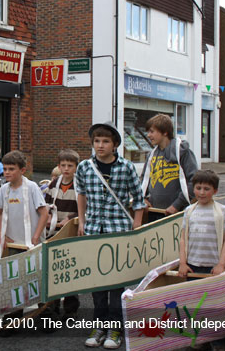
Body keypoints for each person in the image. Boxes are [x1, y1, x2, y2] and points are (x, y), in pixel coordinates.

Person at [76, 122, 145, 349]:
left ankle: (115, 329)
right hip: (94, 229)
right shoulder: (84, 167)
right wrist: (82, 221)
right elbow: (81, 195)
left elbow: (139, 198)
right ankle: (98, 327)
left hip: (119, 230)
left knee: (117, 283)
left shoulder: (126, 167)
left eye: (105, 141)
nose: (100, 145)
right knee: (97, 283)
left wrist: (136, 223)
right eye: (97, 141)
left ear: (115, 144)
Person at [0, 150, 49, 336]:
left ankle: (46, 315)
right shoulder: (4, 189)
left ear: (22, 170)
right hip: (13, 243)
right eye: (5, 169)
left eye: (11, 169)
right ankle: (12, 320)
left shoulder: (32, 187)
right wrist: (1, 233)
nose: (6, 172)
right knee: (15, 280)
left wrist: (36, 236)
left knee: (38, 277)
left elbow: (44, 212)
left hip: (32, 242)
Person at [178, 170, 225, 351]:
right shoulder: (189, 211)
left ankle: (218, 342)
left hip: (213, 267)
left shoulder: (222, 211)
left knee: (215, 307)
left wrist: (221, 264)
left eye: (206, 189)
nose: (201, 192)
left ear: (215, 191)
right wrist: (183, 263)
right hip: (193, 266)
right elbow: (183, 238)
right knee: (194, 305)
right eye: (198, 188)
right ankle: (199, 340)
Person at [140, 114, 198, 223]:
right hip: (154, 212)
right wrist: (143, 199)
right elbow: (143, 180)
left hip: (177, 213)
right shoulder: (151, 155)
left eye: (152, 131)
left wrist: (177, 205)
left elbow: (194, 181)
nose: (148, 135)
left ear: (165, 132)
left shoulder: (182, 152)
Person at [44, 149, 80, 317]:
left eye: (70, 166)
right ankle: (53, 305)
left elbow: (84, 208)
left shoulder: (80, 185)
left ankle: (72, 305)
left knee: (71, 268)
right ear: (58, 166)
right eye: (63, 165)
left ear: (76, 167)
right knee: (55, 268)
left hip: (72, 231)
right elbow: (47, 204)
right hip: (54, 231)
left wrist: (71, 218)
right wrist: (48, 215)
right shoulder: (54, 184)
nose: (66, 169)